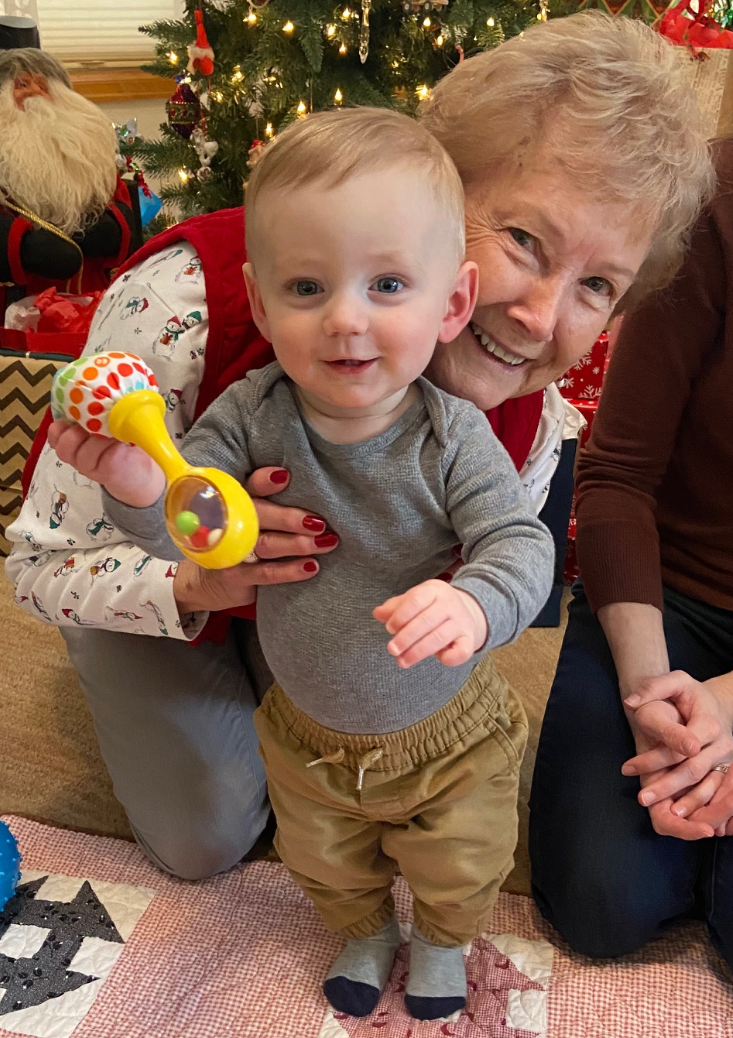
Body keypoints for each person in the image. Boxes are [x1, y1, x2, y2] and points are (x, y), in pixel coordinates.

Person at [5, 12, 713, 889]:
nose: (539, 318)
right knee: (209, 831)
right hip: (155, 576)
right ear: (436, 190)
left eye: (597, 285)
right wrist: (191, 582)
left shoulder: (525, 424)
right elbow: (37, 565)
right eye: (524, 240)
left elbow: (502, 576)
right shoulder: (186, 302)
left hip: (324, 624)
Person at [48, 107, 555, 1020]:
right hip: (305, 726)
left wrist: (476, 603)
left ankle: (442, 941)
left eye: (387, 284)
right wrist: (139, 483)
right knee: (324, 857)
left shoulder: (451, 437)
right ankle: (364, 929)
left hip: (444, 729)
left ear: (451, 304)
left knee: (461, 856)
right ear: (261, 299)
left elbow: (521, 544)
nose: (346, 319)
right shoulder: (251, 413)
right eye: (308, 287)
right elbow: (192, 529)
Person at [529, 139, 733, 970]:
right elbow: (616, 475)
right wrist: (655, 698)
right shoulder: (712, 199)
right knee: (600, 900)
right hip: (668, 593)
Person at [0, 45, 138, 321]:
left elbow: (121, 203)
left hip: (90, 305)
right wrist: (21, 247)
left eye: (44, 85)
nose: (35, 92)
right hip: (14, 313)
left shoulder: (91, 157)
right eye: (22, 84)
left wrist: (109, 230)